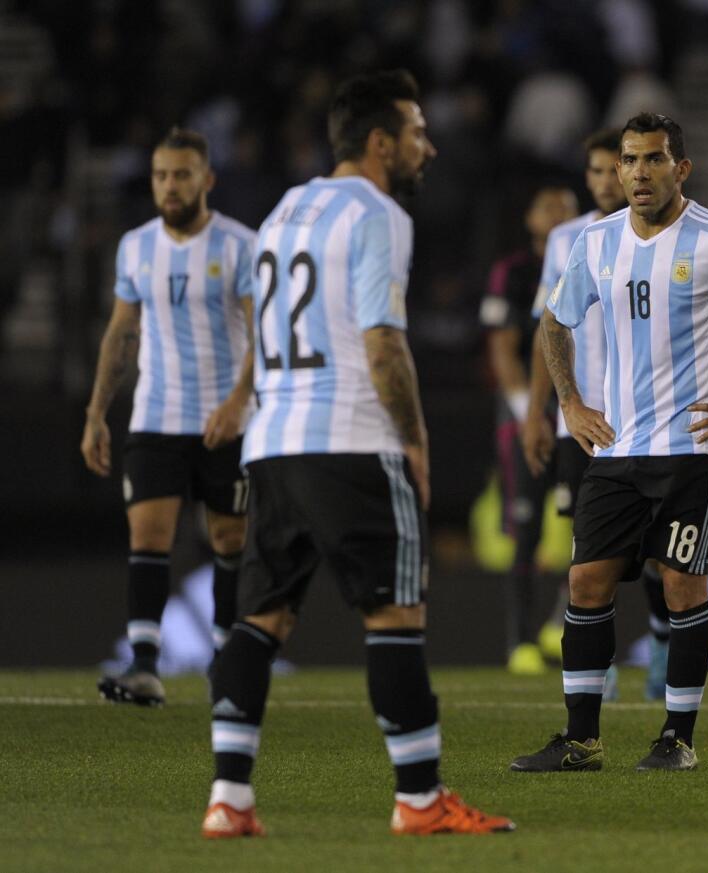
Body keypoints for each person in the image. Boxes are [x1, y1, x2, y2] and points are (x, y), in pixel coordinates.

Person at [201, 70, 514, 838]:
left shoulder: (282, 211)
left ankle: (228, 799)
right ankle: (418, 798)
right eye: (415, 132)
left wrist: (251, 403)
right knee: (393, 616)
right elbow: (382, 341)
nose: (427, 147)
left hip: (273, 447)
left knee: (258, 619)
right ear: (380, 143)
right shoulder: (379, 213)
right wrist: (413, 437)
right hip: (351, 439)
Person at [511, 112, 708, 772]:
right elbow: (554, 321)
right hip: (617, 448)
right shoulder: (595, 244)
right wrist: (569, 400)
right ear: (616, 169)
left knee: (681, 584)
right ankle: (581, 738)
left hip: (693, 448)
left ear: (681, 169)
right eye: (628, 160)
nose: (639, 172)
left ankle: (677, 736)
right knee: (586, 580)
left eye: (653, 159)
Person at [82, 127, 256, 707]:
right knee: (148, 534)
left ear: (206, 179)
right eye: (161, 175)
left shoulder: (238, 245)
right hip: (157, 416)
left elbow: (264, 332)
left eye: (182, 175)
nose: (170, 185)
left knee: (229, 537)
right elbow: (121, 332)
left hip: (224, 420)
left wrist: (239, 402)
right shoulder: (135, 246)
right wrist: (96, 412)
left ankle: (227, 660)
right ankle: (144, 666)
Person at [521, 127, 674, 701]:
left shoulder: (668, 233)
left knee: (659, 551)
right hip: (582, 421)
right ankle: (600, 661)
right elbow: (550, 326)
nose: (608, 179)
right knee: (590, 550)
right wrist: (542, 410)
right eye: (597, 170)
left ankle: (661, 639)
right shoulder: (567, 239)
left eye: (617, 167)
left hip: (649, 417)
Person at [479, 183, 577, 674]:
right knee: (526, 527)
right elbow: (504, 347)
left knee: (592, 527)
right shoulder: (513, 272)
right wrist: (528, 411)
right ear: (530, 219)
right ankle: (519, 642)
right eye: (547, 205)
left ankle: (561, 622)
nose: (558, 211)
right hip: (528, 415)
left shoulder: (590, 256)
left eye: (566, 205)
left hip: (579, 411)